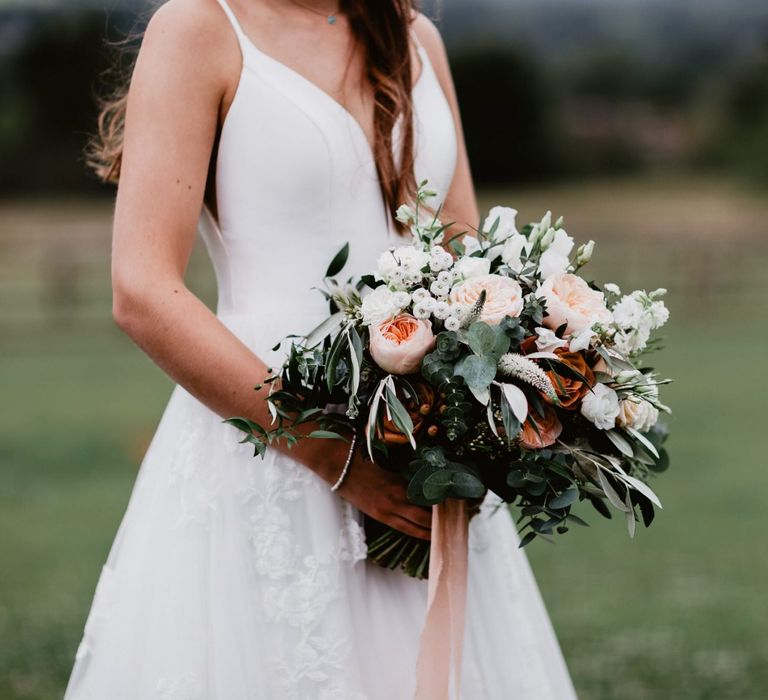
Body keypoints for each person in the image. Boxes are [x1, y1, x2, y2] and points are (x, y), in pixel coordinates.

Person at [65, 1, 577, 697]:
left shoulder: (413, 34)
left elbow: (468, 261)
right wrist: (333, 457)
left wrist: (519, 383)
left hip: (420, 455)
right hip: (268, 449)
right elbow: (142, 290)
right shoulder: (200, 28)